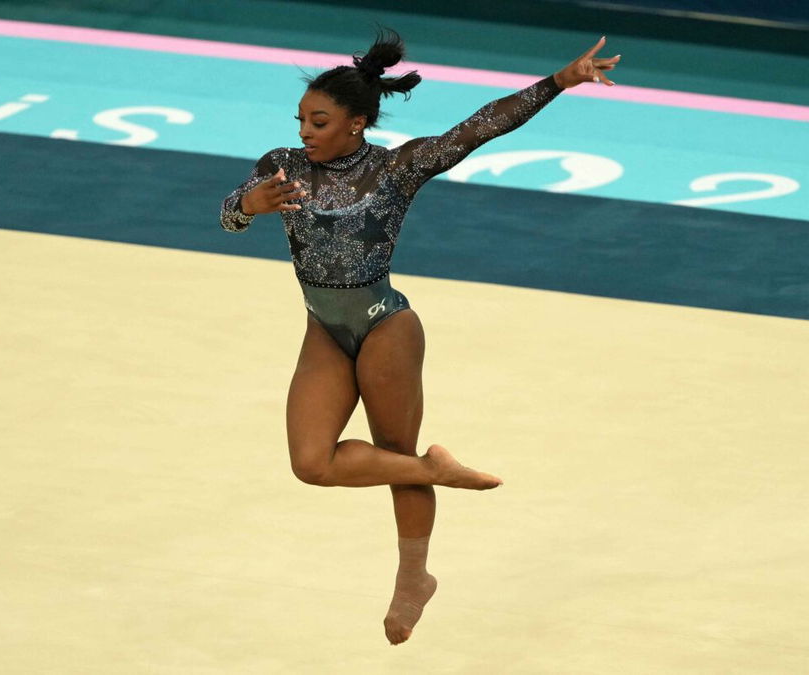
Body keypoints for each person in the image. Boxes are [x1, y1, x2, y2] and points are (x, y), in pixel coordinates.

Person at [220, 28, 619, 645]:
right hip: (322, 327)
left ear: (355, 124)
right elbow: (230, 218)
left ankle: (414, 577)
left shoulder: (396, 168)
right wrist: (251, 202)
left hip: (385, 324)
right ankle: (437, 471)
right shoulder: (282, 166)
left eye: (319, 122)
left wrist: (560, 82)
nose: (305, 132)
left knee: (392, 450)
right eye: (301, 119)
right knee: (311, 464)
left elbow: (477, 128)